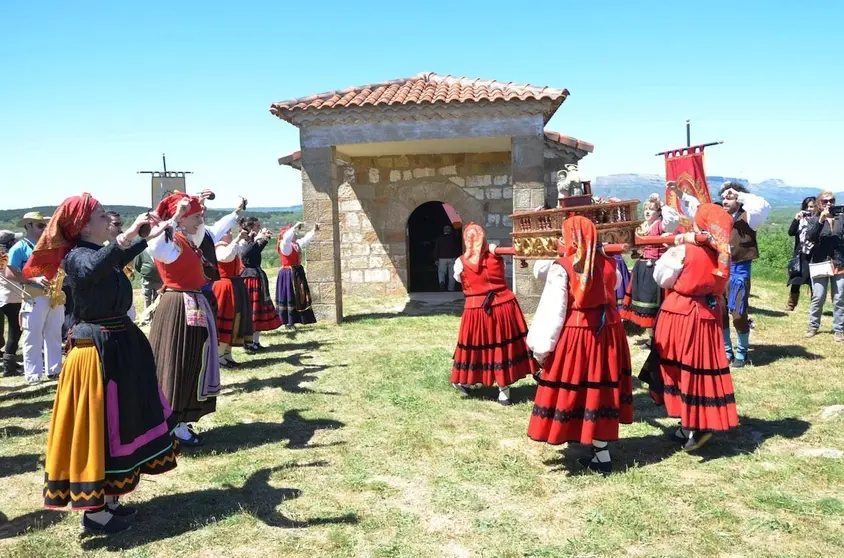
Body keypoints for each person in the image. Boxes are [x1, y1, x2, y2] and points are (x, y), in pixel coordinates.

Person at [28, 194, 178, 533]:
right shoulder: (76, 257)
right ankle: (95, 513)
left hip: (117, 347)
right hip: (95, 354)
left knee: (120, 422)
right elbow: (93, 268)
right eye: (98, 214)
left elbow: (120, 253)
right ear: (82, 224)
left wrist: (148, 230)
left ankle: (111, 500)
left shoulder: (98, 253)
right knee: (101, 426)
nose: (105, 217)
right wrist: (127, 238)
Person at [526, 216, 633, 474]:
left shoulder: (562, 267)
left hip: (579, 333)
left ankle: (593, 447)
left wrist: (541, 349)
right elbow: (614, 286)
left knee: (577, 387)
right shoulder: (610, 264)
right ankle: (601, 452)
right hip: (609, 333)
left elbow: (554, 310)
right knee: (601, 389)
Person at [642, 203, 738, 452]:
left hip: (681, 314)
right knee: (699, 368)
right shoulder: (722, 252)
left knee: (679, 368)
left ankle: (696, 424)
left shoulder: (685, 250)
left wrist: (672, 251)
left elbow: (662, 278)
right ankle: (689, 424)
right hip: (708, 314)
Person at [147, 193, 221, 447]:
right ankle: (173, 424)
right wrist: (176, 216)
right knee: (178, 363)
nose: (202, 219)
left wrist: (196, 205)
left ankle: (179, 419)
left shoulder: (186, 240)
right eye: (197, 216)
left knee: (190, 362)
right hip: (179, 307)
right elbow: (154, 244)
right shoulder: (168, 243)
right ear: (181, 219)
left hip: (190, 303)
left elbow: (202, 232)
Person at [675, 182, 770, 368]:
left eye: (731, 196)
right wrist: (680, 193)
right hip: (717, 269)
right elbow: (695, 208)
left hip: (739, 271)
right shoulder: (714, 214)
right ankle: (726, 351)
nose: (726, 199)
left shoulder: (749, 217)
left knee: (738, 314)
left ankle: (742, 352)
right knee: (719, 312)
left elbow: (763, 205)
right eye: (724, 196)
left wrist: (739, 194)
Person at [450, 223, 537, 405]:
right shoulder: (496, 253)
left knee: (476, 345)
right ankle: (503, 392)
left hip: (476, 309)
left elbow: (459, 279)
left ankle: (465, 380)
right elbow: (513, 252)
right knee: (501, 346)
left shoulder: (459, 262)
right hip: (504, 305)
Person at [5, 211, 64, 384]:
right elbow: (9, 273)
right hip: (34, 295)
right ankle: (33, 374)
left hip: (54, 295)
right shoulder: (19, 247)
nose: (44, 228)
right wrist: (33, 279)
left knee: (53, 333)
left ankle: (54, 369)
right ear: (28, 225)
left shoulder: (50, 245)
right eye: (40, 225)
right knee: (33, 336)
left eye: (45, 225)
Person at [621, 193, 680, 346]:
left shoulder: (662, 224)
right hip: (642, 267)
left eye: (652, 209)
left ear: (659, 212)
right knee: (645, 305)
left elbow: (672, 220)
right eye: (646, 209)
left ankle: (660, 338)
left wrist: (662, 204)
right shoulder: (643, 227)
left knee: (655, 304)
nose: (647, 212)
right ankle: (652, 338)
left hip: (656, 267)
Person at [805, 191, 844, 341]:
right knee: (818, 297)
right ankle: (813, 326)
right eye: (825, 201)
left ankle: (839, 329)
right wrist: (821, 221)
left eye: (832, 201)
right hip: (820, 262)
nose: (829, 204)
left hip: (839, 262)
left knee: (839, 297)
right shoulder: (814, 219)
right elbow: (810, 237)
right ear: (819, 203)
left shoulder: (841, 218)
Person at [238, 216, 282, 350]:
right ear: (250, 227)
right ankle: (248, 342)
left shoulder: (252, 240)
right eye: (256, 226)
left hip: (257, 275)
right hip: (249, 277)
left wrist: (263, 240)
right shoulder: (242, 242)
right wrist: (260, 240)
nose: (258, 228)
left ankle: (255, 341)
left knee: (259, 310)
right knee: (252, 310)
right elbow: (246, 255)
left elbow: (255, 251)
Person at [213, 228, 254, 367]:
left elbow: (240, 251)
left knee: (237, 318)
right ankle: (219, 356)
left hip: (234, 284)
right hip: (225, 286)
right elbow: (226, 257)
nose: (230, 234)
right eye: (227, 232)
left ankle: (227, 354)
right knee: (227, 318)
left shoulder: (227, 246)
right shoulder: (219, 248)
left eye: (230, 232)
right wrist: (237, 238)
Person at [275, 221, 318, 329]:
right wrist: (294, 228)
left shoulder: (295, 244)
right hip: (289, 273)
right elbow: (286, 239)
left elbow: (305, 240)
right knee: (289, 295)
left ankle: (297, 319)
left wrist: (314, 230)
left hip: (296, 272)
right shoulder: (285, 246)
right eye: (293, 233)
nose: (295, 234)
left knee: (299, 296)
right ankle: (288, 322)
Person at [786, 197, 816, 311]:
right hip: (801, 254)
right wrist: (796, 219)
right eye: (807, 207)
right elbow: (791, 232)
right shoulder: (801, 220)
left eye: (812, 207)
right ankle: (791, 304)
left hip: (814, 255)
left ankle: (815, 307)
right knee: (796, 279)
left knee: (814, 282)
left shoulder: (819, 220)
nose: (809, 209)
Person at [0, 230, 23, 377]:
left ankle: (10, 363)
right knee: (15, 331)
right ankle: (9, 367)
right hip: (12, 297)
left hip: (5, 297)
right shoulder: (7, 257)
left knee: (12, 331)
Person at [133, 249, 163, 325]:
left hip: (159, 279)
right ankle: (147, 319)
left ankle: (156, 318)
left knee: (157, 299)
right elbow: (137, 265)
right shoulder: (142, 251)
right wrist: (144, 273)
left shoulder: (159, 250)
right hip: (146, 278)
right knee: (147, 298)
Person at [434, 225, 461, 292]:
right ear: (450, 230)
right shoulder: (454, 238)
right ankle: (451, 288)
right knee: (452, 274)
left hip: (442, 258)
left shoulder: (440, 238)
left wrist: (436, 259)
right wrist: (457, 257)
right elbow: (457, 248)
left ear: (444, 230)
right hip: (452, 258)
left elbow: (436, 249)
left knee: (441, 272)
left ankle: (442, 282)